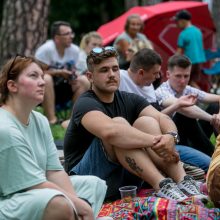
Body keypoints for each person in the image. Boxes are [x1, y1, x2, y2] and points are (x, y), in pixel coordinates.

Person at [64, 46, 205, 202]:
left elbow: (162, 118)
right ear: (90, 76)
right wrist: (156, 141)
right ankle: (162, 185)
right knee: (119, 125)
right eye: (104, 70)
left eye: (115, 69)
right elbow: (111, 132)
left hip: (125, 177)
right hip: (87, 182)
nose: (111, 74)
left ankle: (183, 181)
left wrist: (171, 137)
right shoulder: (85, 103)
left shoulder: (129, 98)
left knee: (147, 121)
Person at [0, 55, 107, 219]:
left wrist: (77, 204)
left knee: (94, 185)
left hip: (34, 191)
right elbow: (34, 185)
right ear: (12, 85)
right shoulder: (5, 128)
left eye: (42, 77)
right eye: (33, 76)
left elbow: (54, 172)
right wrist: (79, 206)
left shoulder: (40, 120)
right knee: (58, 203)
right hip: (8, 200)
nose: (42, 82)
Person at [119, 48, 211, 172]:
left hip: (163, 139)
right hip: (143, 144)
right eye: (155, 73)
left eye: (186, 76)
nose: (158, 77)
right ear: (141, 72)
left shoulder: (148, 86)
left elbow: (158, 116)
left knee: (208, 162)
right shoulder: (118, 79)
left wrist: (177, 106)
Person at [155, 54, 220, 156]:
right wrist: (213, 118)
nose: (182, 81)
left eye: (186, 76)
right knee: (183, 115)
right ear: (168, 74)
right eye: (178, 76)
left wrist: (218, 115)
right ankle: (212, 154)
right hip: (173, 138)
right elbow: (183, 108)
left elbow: (216, 98)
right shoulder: (161, 91)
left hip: (192, 136)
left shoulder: (187, 89)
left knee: (215, 107)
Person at [35, 21, 90, 124]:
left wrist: (73, 76)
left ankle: (72, 120)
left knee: (84, 80)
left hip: (66, 86)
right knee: (46, 78)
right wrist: (58, 72)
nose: (71, 36)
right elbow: (38, 73)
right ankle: (52, 119)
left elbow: (75, 69)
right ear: (56, 38)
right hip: (46, 88)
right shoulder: (45, 50)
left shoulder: (74, 50)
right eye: (67, 34)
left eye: (71, 33)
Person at [173, 10, 206, 88]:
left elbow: (179, 51)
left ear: (182, 21)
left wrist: (173, 61)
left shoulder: (183, 33)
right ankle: (200, 97)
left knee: (185, 82)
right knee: (192, 81)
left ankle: (201, 97)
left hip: (189, 61)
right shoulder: (198, 31)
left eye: (177, 22)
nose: (176, 24)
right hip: (199, 61)